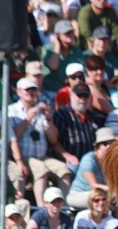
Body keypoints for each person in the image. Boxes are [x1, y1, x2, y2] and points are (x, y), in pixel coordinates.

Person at [7, 77, 72, 207]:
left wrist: (48, 118)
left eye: (34, 90)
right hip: (23, 157)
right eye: (28, 90)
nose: (31, 93)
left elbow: (53, 139)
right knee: (41, 169)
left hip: (42, 157)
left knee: (64, 169)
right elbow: (11, 137)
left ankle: (63, 208)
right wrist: (27, 119)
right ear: (19, 92)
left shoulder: (42, 111)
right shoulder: (11, 111)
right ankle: (42, 208)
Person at [51, 82, 102, 169]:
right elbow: (54, 142)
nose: (82, 99)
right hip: (67, 161)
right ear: (71, 96)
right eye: (79, 96)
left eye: (85, 96)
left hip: (90, 163)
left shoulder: (94, 117)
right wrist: (67, 156)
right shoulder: (62, 115)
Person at [66, 127, 116, 210]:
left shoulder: (111, 161)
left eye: (112, 143)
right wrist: (115, 189)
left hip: (98, 193)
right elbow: (94, 185)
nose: (109, 146)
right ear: (98, 146)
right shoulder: (89, 158)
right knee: (102, 200)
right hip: (78, 195)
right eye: (105, 143)